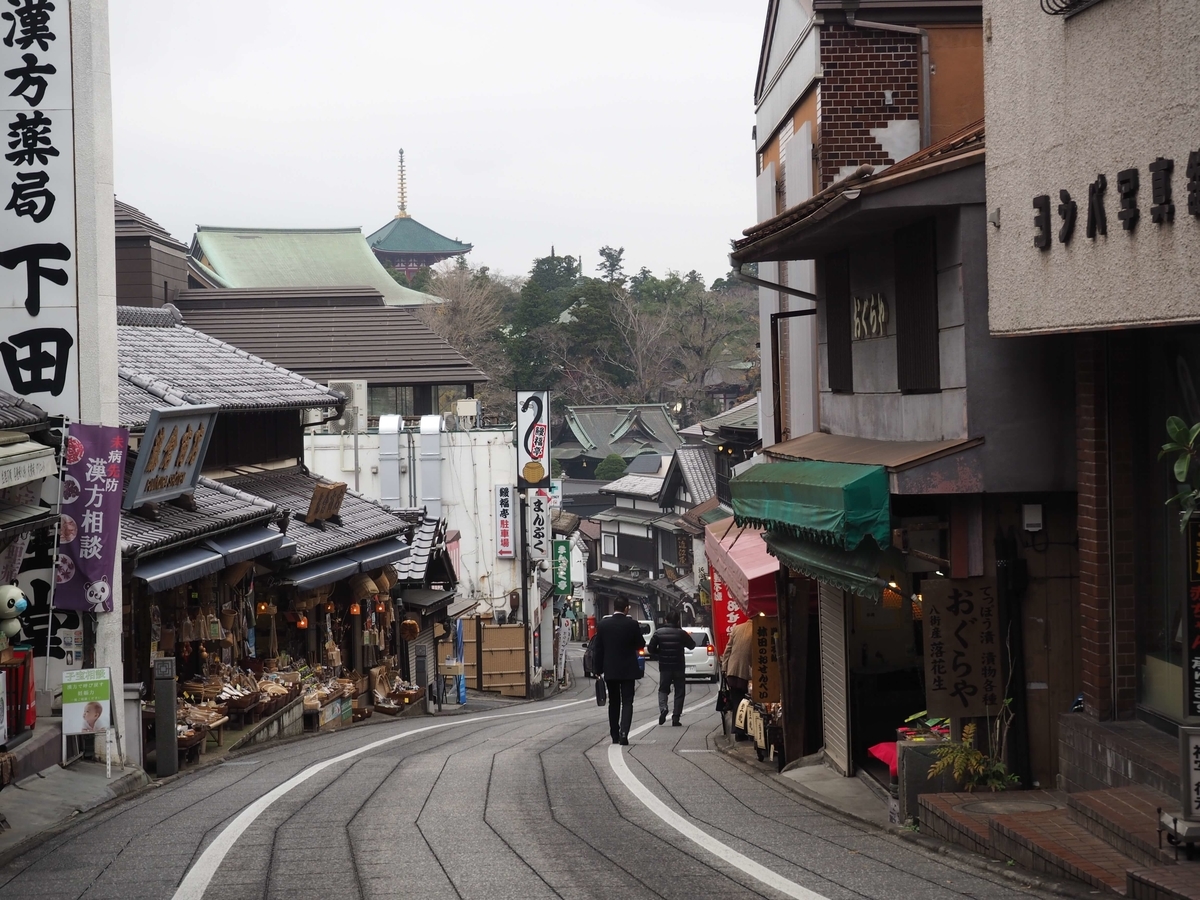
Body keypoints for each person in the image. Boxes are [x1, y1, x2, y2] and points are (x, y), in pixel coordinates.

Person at [590, 598, 644, 745]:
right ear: (626, 608)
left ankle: (614, 734)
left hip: (610, 669)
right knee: (627, 702)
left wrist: (597, 669)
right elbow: (640, 644)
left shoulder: (603, 625)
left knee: (614, 702)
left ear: (614, 607)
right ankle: (624, 732)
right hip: (628, 670)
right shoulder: (632, 625)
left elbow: (598, 649)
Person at [648, 610, 695, 726]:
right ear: (678, 621)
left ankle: (663, 708)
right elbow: (692, 645)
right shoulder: (681, 633)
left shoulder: (659, 633)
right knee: (679, 691)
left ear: (666, 620)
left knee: (663, 689)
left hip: (665, 667)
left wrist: (660, 652)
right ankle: (676, 717)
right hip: (679, 666)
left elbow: (650, 649)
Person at [720, 618, 754, 740]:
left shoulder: (737, 628)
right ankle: (747, 731)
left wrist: (724, 668)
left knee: (737, 702)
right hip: (748, 673)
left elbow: (728, 649)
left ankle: (738, 730)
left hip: (733, 671)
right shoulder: (759, 630)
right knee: (751, 703)